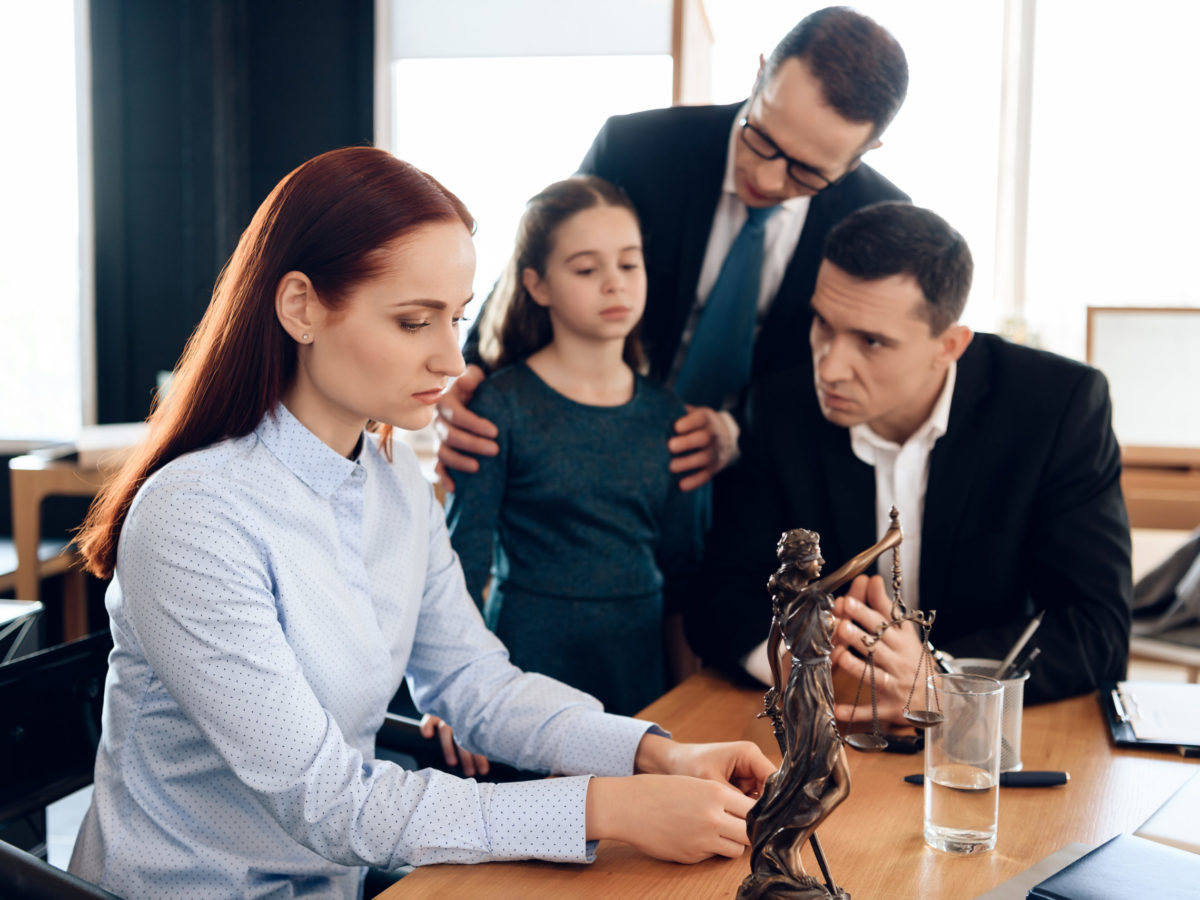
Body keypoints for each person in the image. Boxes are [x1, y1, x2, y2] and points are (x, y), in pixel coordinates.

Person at [68, 147, 774, 899]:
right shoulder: (195, 515)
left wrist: (656, 755)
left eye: (458, 317)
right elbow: (329, 801)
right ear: (301, 306)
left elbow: (474, 682)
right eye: (414, 321)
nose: (450, 355)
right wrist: (605, 807)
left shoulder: (394, 479)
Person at [684, 202, 1133, 724]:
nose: (829, 366)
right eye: (823, 324)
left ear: (949, 346)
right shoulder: (779, 405)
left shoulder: (1057, 405)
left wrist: (941, 680)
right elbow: (719, 598)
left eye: (871, 341)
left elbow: (1097, 628)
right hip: (830, 726)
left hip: (995, 734)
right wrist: (806, 661)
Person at [438, 6, 910, 494]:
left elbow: (855, 376)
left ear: (863, 154)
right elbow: (539, 262)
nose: (767, 179)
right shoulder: (638, 148)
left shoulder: (877, 215)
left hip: (762, 480)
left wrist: (738, 430)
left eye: (807, 173)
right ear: (760, 72)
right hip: (596, 447)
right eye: (762, 137)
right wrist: (472, 375)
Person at [445, 176, 700, 716]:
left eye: (629, 265)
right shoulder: (499, 406)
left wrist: (687, 704)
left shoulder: (668, 416)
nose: (615, 284)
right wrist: (452, 697)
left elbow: (683, 578)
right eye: (587, 269)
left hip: (639, 663)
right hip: (525, 662)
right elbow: (461, 570)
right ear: (538, 286)